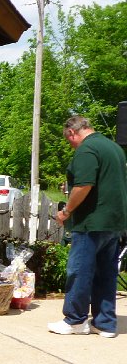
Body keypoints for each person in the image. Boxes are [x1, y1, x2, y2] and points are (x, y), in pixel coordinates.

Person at [48, 115, 127, 338]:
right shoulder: (113, 147)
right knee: (106, 273)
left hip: (91, 222)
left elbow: (84, 185)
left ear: (73, 132)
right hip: (114, 222)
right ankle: (105, 323)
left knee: (80, 270)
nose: (70, 144)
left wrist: (66, 212)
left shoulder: (86, 149)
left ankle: (75, 320)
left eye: (68, 140)